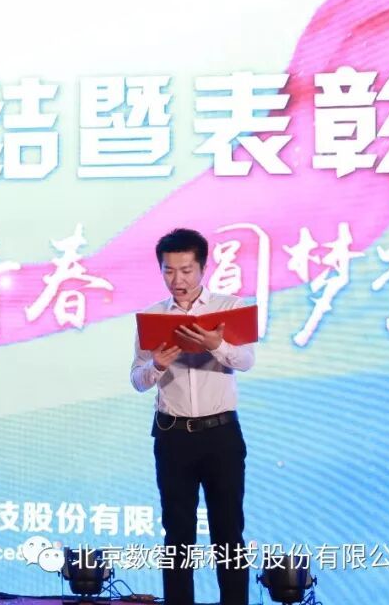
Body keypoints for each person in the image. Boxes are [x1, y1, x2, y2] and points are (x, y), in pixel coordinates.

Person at [130, 228, 255, 605]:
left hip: (221, 435)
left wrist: (218, 345)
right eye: (169, 271)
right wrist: (156, 365)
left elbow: (246, 361)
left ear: (202, 268)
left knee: (228, 533)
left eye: (186, 270)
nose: (178, 280)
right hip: (173, 436)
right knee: (177, 536)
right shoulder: (153, 317)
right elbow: (137, 380)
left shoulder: (229, 308)